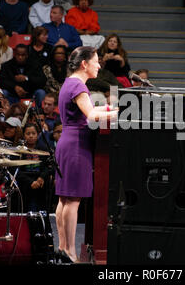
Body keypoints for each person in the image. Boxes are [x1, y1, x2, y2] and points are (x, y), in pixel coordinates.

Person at [54, 46, 117, 264]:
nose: (99, 65)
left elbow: (89, 110)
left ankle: (62, 248)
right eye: (96, 61)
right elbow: (90, 114)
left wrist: (111, 109)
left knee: (65, 199)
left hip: (67, 142)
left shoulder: (70, 82)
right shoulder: (78, 85)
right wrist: (119, 112)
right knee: (73, 201)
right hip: (76, 146)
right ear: (84, 64)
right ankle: (70, 251)